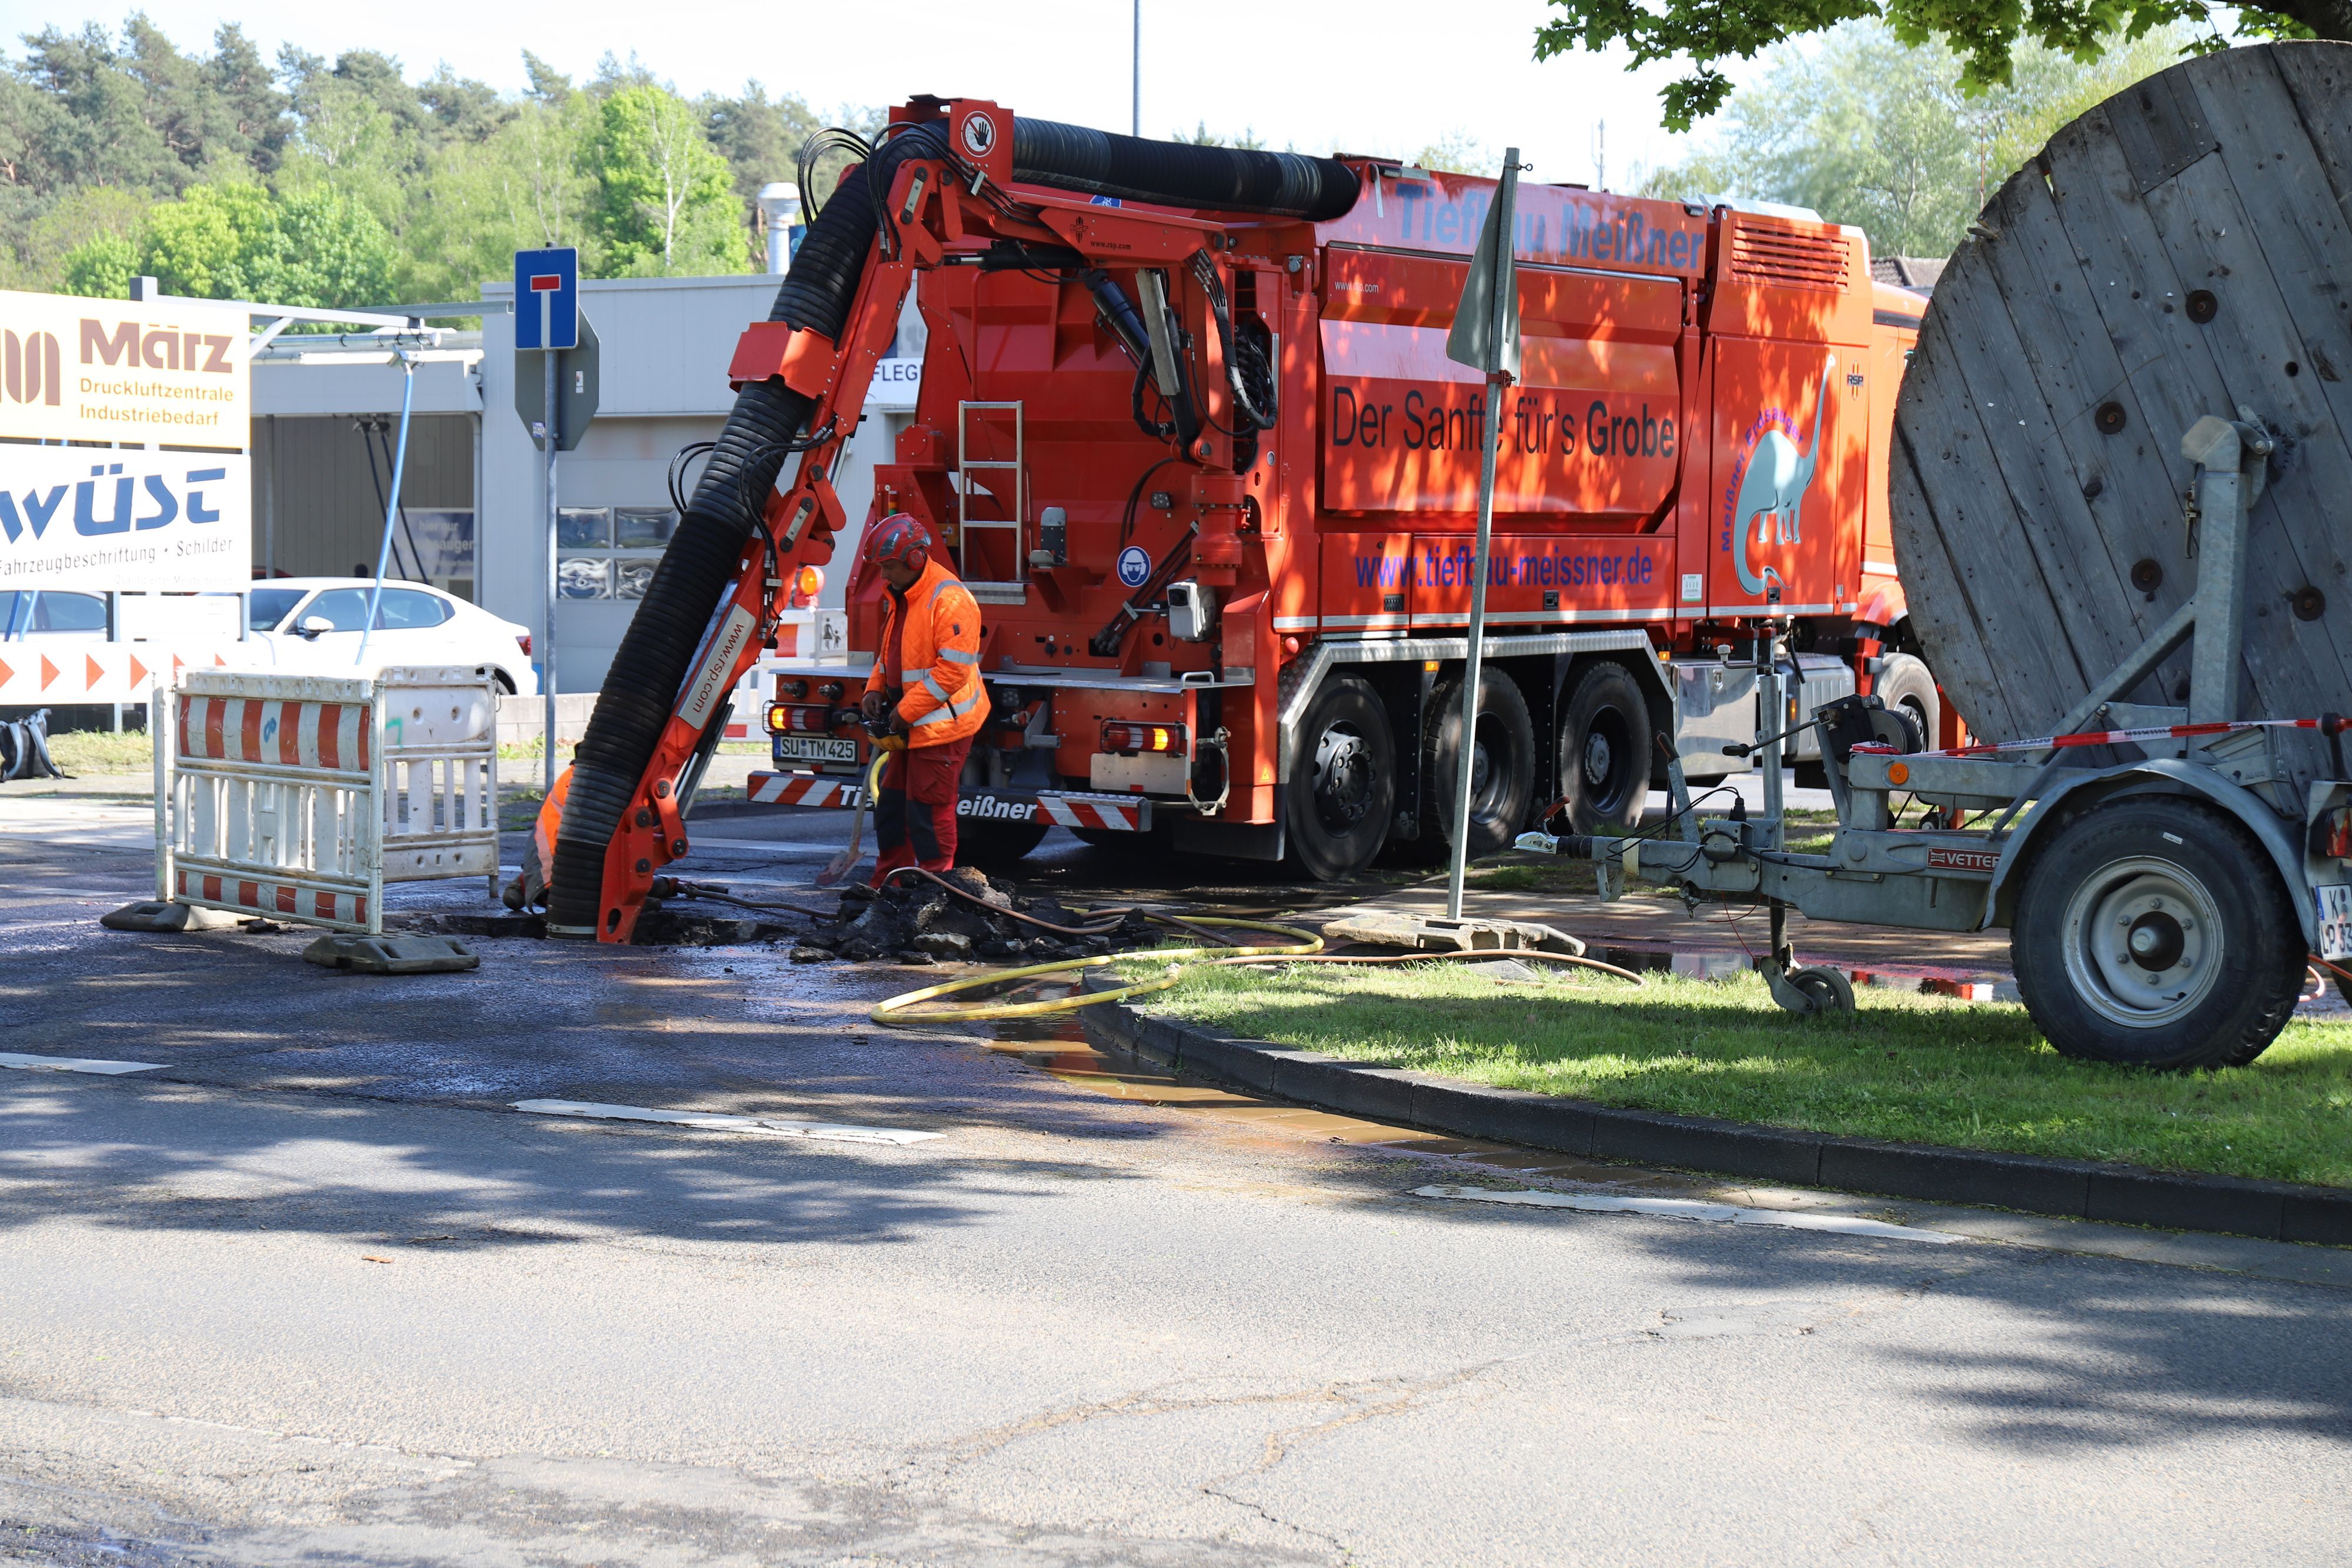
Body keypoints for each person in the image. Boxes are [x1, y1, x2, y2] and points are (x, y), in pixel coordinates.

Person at [858, 513, 988, 886]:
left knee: (928, 811)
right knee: (894, 808)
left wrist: (904, 711)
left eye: (890, 567)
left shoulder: (949, 599)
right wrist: (874, 688)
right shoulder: (904, 595)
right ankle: (891, 884)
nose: (885, 576)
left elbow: (953, 671)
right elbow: (892, 652)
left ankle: (935, 887)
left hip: (942, 727)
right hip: (914, 724)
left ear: (916, 559)